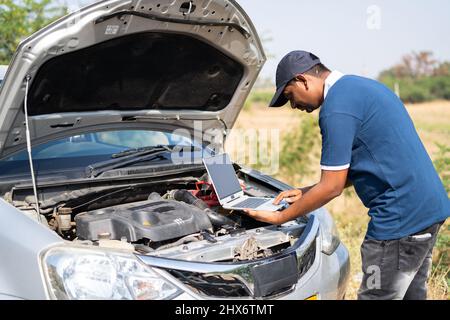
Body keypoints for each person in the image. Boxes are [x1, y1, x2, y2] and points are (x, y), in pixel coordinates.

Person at [244, 50, 449, 300]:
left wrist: (280, 218)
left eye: (289, 96)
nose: (294, 105)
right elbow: (366, 163)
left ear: (302, 80)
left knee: (377, 296)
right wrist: (305, 192)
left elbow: (332, 187)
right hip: (428, 210)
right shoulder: (362, 86)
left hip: (400, 220)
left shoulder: (335, 110)